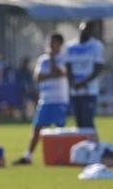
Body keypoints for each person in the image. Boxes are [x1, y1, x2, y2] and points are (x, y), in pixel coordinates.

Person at [13, 33, 68, 165]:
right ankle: (28, 156)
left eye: (53, 42)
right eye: (50, 42)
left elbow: (60, 72)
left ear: (60, 44)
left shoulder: (64, 58)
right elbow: (38, 77)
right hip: (45, 99)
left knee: (59, 130)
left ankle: (59, 157)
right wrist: (51, 74)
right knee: (37, 128)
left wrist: (52, 61)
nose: (50, 45)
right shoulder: (43, 59)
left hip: (59, 99)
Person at [64, 21, 105, 129]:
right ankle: (83, 145)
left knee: (87, 121)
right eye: (84, 28)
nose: (86, 31)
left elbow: (98, 69)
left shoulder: (96, 46)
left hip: (89, 90)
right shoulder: (70, 46)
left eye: (89, 29)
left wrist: (83, 82)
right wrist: (72, 83)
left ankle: (93, 145)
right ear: (80, 27)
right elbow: (67, 67)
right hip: (75, 90)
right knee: (79, 123)